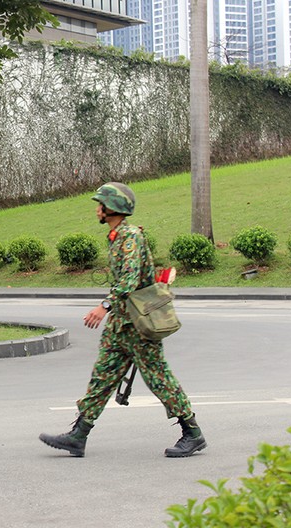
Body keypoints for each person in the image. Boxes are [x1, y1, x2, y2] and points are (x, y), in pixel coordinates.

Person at [38, 183, 207, 458]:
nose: (97, 209)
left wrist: (103, 307)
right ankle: (78, 435)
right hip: (121, 325)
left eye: (100, 204)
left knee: (158, 378)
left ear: (111, 208)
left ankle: (193, 433)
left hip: (139, 325)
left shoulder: (130, 238)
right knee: (102, 377)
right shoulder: (117, 236)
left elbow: (128, 281)